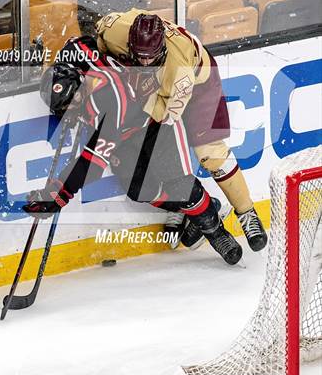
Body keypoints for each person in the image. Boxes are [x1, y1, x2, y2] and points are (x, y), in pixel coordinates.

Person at [23, 36, 243, 266]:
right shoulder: (71, 57)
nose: (73, 110)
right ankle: (194, 209)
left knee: (179, 186)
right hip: (125, 128)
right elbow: (81, 39)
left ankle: (216, 231)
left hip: (156, 116)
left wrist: (59, 195)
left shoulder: (110, 97)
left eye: (76, 102)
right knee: (140, 190)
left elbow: (92, 163)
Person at [95, 10, 268, 252]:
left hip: (200, 82)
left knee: (210, 153)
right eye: (139, 56)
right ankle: (189, 205)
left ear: (162, 49)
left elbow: (167, 115)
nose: (144, 62)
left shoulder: (180, 69)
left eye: (150, 57)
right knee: (158, 158)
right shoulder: (116, 32)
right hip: (158, 87)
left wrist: (134, 93)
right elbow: (99, 37)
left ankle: (247, 213)